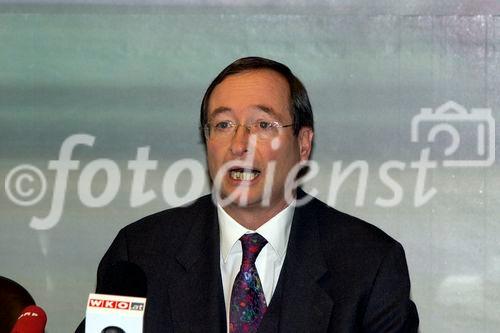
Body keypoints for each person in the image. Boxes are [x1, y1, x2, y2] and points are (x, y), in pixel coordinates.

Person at [78, 56, 418, 332]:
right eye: (223, 125)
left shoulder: (369, 265)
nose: (240, 144)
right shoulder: (139, 254)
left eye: (263, 125)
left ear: (303, 144)